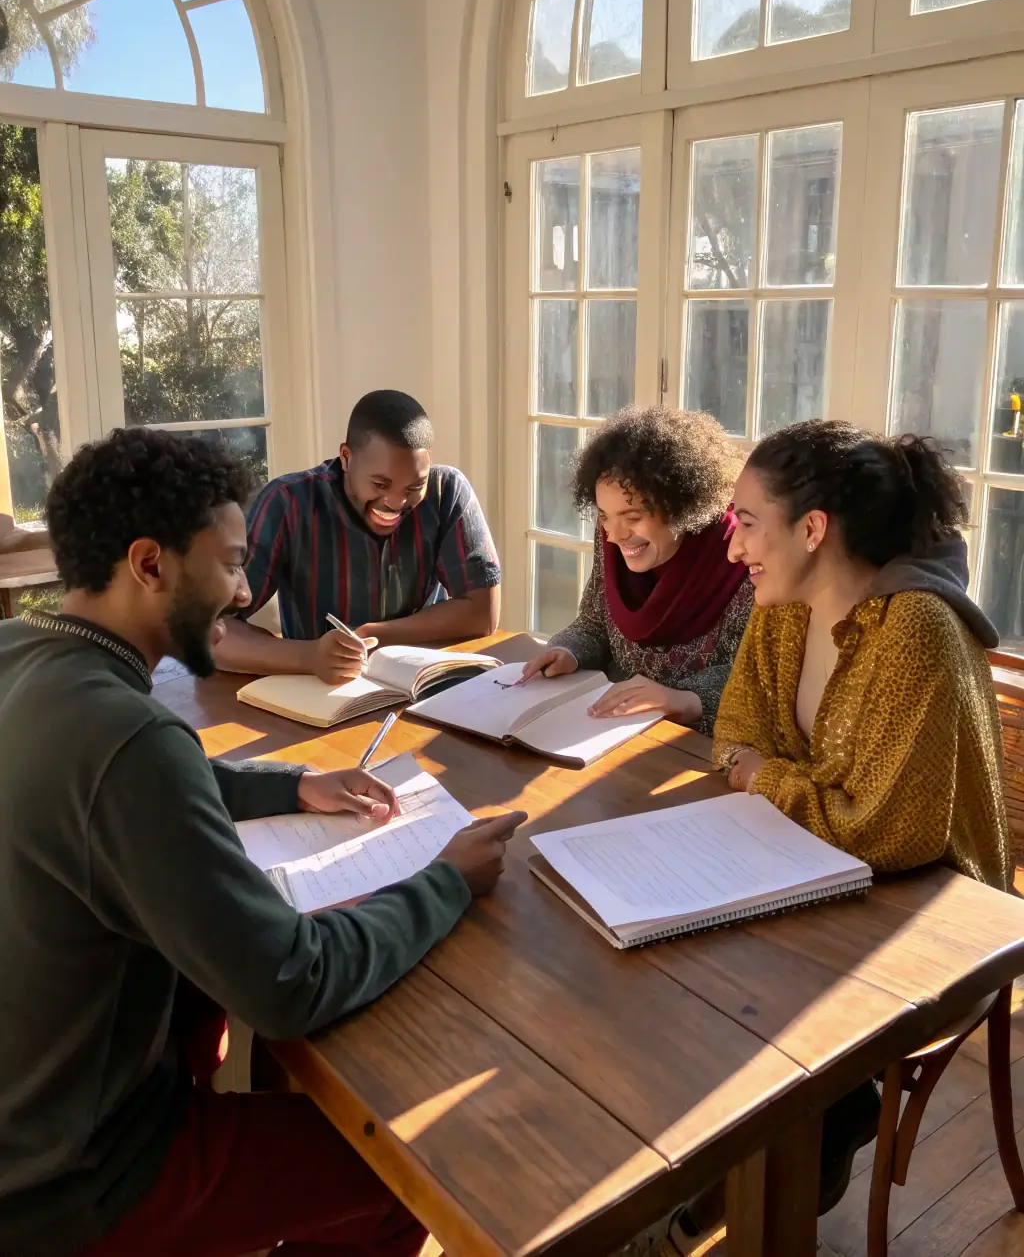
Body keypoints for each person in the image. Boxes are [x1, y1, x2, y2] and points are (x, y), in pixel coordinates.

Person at [0, 427, 525, 1257]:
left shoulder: (22, 653)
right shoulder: (130, 739)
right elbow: (291, 982)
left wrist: (287, 785)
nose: (245, 593)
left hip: (28, 1107)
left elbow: (108, 787)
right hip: (73, 1179)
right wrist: (446, 879)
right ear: (149, 564)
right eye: (232, 564)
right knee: (414, 1169)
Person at [710, 418, 1013, 1225]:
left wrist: (767, 778)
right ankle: (733, 1183)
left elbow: (889, 834)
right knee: (693, 983)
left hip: (932, 910)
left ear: (813, 529)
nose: (733, 548)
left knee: (737, 1002)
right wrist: (783, 782)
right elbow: (734, 730)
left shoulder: (915, 628)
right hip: (816, 868)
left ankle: (796, 1154)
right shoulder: (783, 604)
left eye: (748, 523)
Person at [215, 389, 501, 683]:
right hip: (316, 691)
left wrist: (373, 635)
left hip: (422, 684)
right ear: (346, 458)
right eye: (380, 484)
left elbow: (483, 613)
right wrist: (310, 656)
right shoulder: (287, 502)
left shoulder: (447, 491)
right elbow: (212, 631)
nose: (396, 503)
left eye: (414, 487)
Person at [521, 406, 753, 733]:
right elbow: (595, 623)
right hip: (612, 726)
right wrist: (568, 650)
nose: (614, 536)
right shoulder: (612, 539)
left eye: (632, 517)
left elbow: (759, 681)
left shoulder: (744, 559)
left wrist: (682, 698)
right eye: (604, 516)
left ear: (682, 507)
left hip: (695, 745)